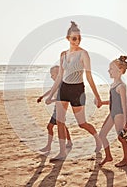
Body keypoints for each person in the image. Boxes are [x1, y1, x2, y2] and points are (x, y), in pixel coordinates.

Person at [45, 21, 102, 161]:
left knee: (82, 123)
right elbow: (59, 76)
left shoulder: (84, 54)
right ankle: (62, 152)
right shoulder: (63, 54)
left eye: (79, 38)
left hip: (77, 90)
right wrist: (51, 95)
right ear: (68, 38)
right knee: (60, 121)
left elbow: (88, 76)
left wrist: (97, 96)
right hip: (64, 88)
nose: (77, 41)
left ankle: (98, 139)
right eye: (74, 38)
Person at [98, 55, 127, 167]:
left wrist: (126, 122)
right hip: (112, 113)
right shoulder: (113, 85)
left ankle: (126, 158)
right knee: (102, 135)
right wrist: (103, 103)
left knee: (121, 137)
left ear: (120, 71)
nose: (109, 71)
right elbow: (113, 101)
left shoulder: (121, 86)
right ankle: (108, 156)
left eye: (111, 69)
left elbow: (124, 105)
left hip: (119, 114)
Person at [37, 65, 73, 152]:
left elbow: (63, 98)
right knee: (62, 125)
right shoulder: (57, 82)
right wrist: (42, 96)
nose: (51, 76)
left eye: (52, 74)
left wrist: (51, 100)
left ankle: (48, 146)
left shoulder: (62, 84)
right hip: (57, 107)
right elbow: (51, 90)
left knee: (49, 127)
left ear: (58, 74)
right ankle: (69, 142)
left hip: (60, 108)